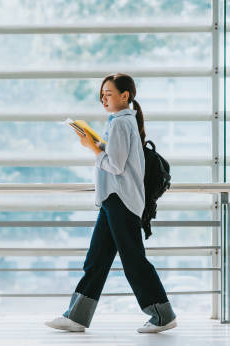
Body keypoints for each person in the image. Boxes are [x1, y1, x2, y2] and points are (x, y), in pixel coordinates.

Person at [45, 73, 177, 334]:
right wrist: (99, 144)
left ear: (125, 96)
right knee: (96, 259)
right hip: (113, 200)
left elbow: (115, 165)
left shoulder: (120, 123)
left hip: (120, 201)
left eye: (109, 94)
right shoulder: (123, 121)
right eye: (102, 94)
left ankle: (163, 315)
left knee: (133, 260)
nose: (104, 99)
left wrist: (92, 148)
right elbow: (121, 159)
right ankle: (77, 317)